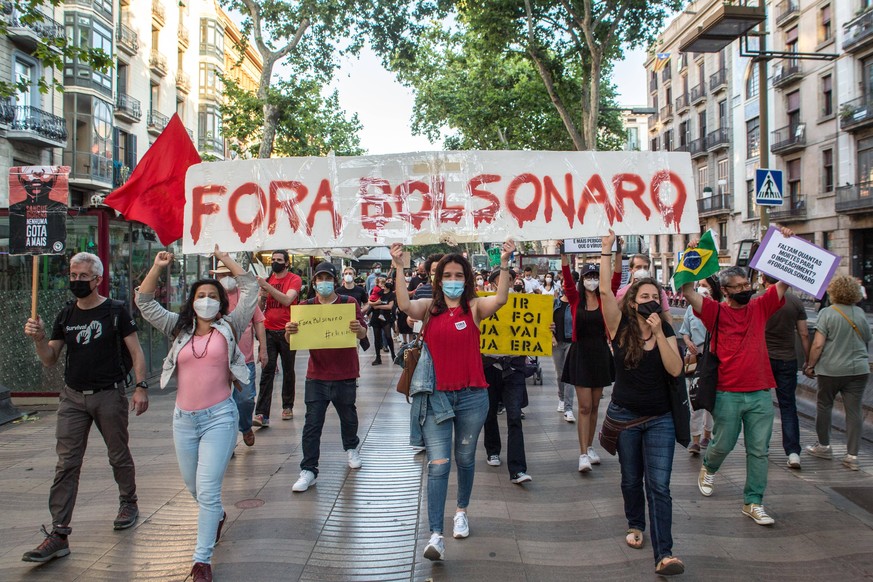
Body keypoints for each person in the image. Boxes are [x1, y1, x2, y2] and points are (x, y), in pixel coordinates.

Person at [136, 246, 257, 582]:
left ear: (221, 301)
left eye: (212, 295)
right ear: (191, 301)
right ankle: (215, 515)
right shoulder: (179, 328)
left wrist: (227, 260)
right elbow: (145, 304)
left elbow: (250, 289)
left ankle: (201, 561)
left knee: (207, 489)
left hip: (220, 417)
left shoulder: (231, 325)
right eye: (200, 295)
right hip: (183, 421)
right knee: (194, 487)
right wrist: (158, 267)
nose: (206, 300)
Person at [391, 239, 514, 562]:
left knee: (466, 459)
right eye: (448, 274)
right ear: (438, 278)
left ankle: (461, 511)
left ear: (467, 278)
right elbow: (404, 304)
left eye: (459, 274)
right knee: (439, 464)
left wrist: (503, 263)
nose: (453, 280)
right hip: (437, 399)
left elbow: (500, 298)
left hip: (473, 397)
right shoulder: (428, 308)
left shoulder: (473, 307)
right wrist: (400, 266)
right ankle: (435, 534)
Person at [21, 252, 148, 563]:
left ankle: (128, 501)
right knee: (66, 464)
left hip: (109, 394)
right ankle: (59, 532)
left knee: (117, 453)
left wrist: (141, 387)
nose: (76, 281)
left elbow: (136, 351)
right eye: (73, 276)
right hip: (73, 397)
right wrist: (39, 340)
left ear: (97, 279)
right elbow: (50, 358)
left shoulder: (116, 311)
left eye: (83, 277)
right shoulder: (65, 316)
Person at [681, 228, 794, 527]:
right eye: (740, 285)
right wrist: (692, 255)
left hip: (760, 392)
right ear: (727, 291)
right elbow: (688, 291)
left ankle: (753, 502)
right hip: (727, 392)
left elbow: (785, 281)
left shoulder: (760, 306)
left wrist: (785, 242)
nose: (748, 288)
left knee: (759, 450)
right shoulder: (714, 312)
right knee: (723, 444)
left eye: (749, 283)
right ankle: (709, 466)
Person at [599, 231, 685, 577]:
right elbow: (605, 291)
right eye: (644, 295)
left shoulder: (666, 328)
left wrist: (661, 332)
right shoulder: (618, 327)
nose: (650, 300)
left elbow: (676, 369)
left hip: (661, 418)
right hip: (626, 417)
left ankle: (665, 554)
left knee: (659, 486)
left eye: (655, 296)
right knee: (632, 479)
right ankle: (636, 523)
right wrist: (608, 251)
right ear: (632, 301)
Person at [287, 262, 369, 492]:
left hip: (345, 373)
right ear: (314, 283)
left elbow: (363, 332)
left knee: (348, 415)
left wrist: (358, 329)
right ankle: (309, 470)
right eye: (319, 279)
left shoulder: (348, 303)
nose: (323, 283)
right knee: (312, 424)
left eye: (327, 278)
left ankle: (351, 447)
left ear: (335, 281)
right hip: (317, 374)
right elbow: (292, 340)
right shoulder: (305, 307)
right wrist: (289, 332)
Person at [804, 275, 871, 471]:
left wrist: (810, 365)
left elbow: (817, 344)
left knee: (824, 405)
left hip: (831, 370)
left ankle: (824, 446)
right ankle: (852, 456)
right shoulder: (859, 312)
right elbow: (867, 336)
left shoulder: (827, 313)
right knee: (854, 411)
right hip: (858, 370)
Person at [561, 259, 614, 472]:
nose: (591, 280)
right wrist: (564, 256)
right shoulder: (575, 299)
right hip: (580, 354)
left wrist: (615, 252)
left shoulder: (604, 299)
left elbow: (616, 277)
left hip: (600, 354)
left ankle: (591, 447)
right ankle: (582, 454)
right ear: (582, 280)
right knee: (583, 407)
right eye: (588, 277)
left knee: (594, 407)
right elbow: (566, 279)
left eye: (595, 276)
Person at [482, 267, 532, 484]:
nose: (505, 282)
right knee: (490, 412)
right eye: (500, 279)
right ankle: (493, 450)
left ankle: (518, 468)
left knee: (514, 416)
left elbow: (534, 329)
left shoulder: (526, 304)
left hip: (513, 368)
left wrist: (546, 329)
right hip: (489, 366)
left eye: (509, 279)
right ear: (493, 283)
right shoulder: (483, 303)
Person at [210, 265, 268, 448]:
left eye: (229, 274)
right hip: (217, 362)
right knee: (220, 402)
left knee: (245, 399)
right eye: (222, 275)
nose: (226, 278)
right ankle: (227, 441)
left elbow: (258, 321)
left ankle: (245, 426)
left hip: (244, 359)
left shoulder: (245, 297)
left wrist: (263, 349)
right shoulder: (212, 298)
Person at [760, 274, 810, 469]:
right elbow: (804, 333)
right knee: (788, 406)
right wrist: (809, 361)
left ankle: (761, 447)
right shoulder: (795, 301)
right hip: (788, 359)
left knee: (762, 406)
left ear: (763, 278)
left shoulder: (758, 299)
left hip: (763, 360)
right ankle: (793, 452)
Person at [254, 250, 302, 425]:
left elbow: (287, 300)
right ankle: (261, 413)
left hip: (288, 331)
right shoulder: (267, 281)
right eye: (273, 260)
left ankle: (287, 405)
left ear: (287, 263)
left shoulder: (294, 280)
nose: (275, 262)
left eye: (279, 260)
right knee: (267, 370)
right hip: (268, 330)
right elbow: (260, 308)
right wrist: (262, 297)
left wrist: (268, 288)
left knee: (288, 369)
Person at [679, 278, 717, 455]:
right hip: (696, 358)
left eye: (705, 285)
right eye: (700, 285)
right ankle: (694, 439)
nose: (702, 288)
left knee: (710, 399)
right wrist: (689, 343)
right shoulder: (690, 309)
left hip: (713, 359)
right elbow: (684, 331)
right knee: (694, 398)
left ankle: (707, 435)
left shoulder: (717, 308)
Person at [551, 269, 578, 423]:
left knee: (569, 375)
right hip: (556, 343)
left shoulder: (577, 304)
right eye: (564, 283)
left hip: (571, 343)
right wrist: (551, 335)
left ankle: (568, 408)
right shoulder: (555, 303)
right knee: (560, 373)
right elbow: (546, 322)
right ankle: (561, 398)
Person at [369, 276, 396, 365]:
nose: (383, 285)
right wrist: (375, 304)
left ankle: (393, 355)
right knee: (377, 338)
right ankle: (378, 357)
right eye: (381, 283)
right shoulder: (376, 292)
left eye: (384, 283)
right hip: (376, 318)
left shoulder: (391, 294)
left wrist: (377, 306)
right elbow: (370, 302)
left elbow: (390, 306)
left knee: (388, 336)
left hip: (386, 318)